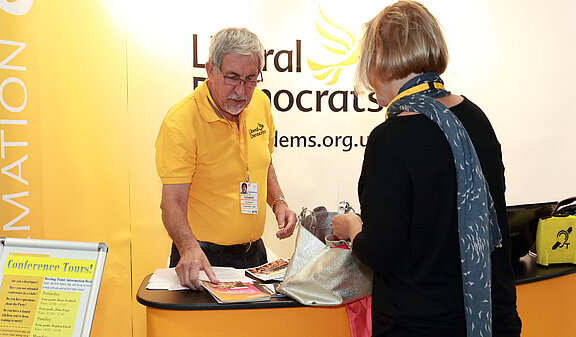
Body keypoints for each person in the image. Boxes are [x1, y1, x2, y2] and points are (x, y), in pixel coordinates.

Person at [331, 2, 521, 336]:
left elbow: (381, 251)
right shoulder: (476, 119)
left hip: (417, 323)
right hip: (490, 318)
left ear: (379, 62)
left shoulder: (390, 139)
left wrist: (352, 226)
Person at [155, 27, 297, 290]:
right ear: (210, 70)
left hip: (255, 256)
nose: (241, 91)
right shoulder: (181, 122)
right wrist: (188, 249)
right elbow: (171, 202)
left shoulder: (261, 104)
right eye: (232, 78)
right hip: (204, 259)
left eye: (250, 79)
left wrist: (279, 203)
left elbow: (263, 161)